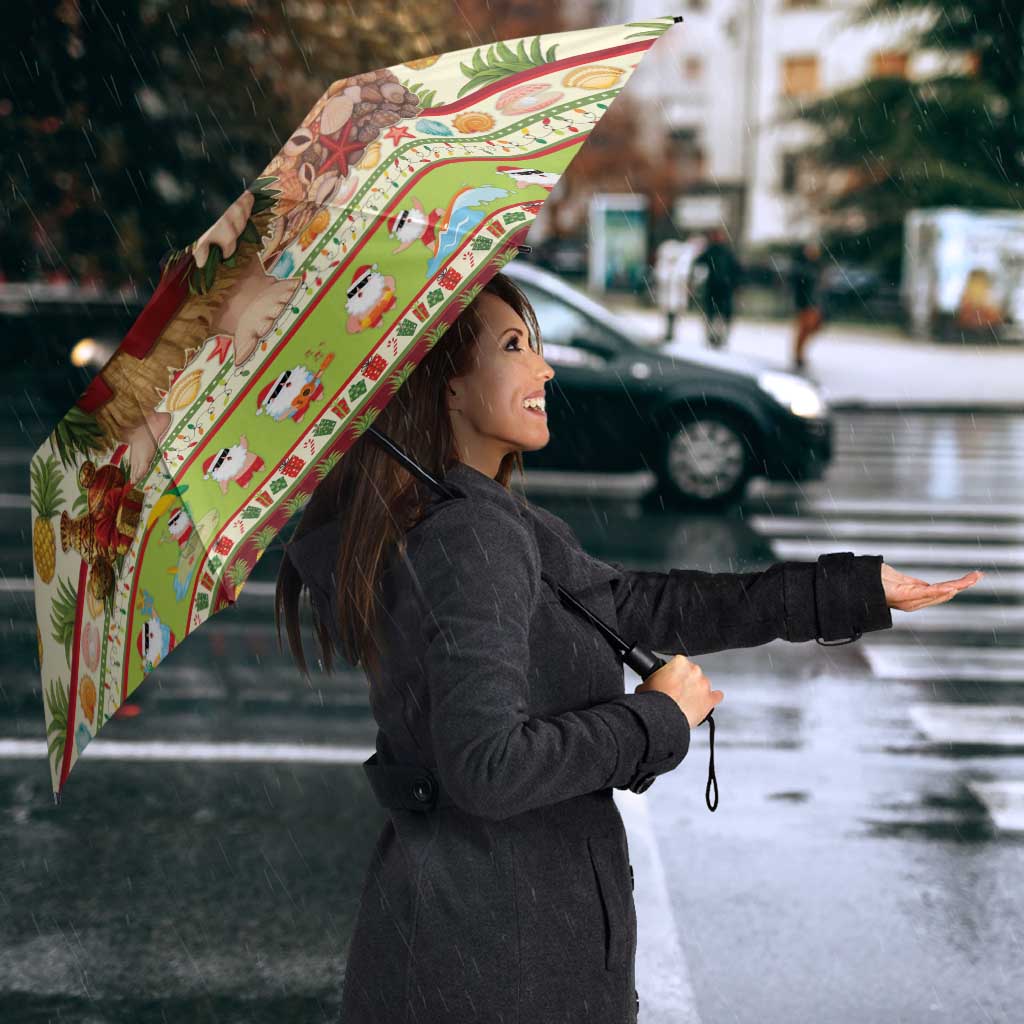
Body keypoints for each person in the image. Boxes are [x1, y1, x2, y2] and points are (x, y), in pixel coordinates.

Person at [275, 271, 976, 1024]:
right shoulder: (469, 537)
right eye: (514, 346)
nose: (544, 368)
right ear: (446, 385)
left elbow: (639, 605)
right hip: (499, 963)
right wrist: (656, 719)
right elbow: (487, 768)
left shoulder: (477, 517)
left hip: (483, 940)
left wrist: (850, 591)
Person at [692, 226, 742, 349]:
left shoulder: (725, 252)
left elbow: (736, 270)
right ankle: (713, 337)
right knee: (713, 314)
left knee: (720, 315)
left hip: (723, 288)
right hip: (715, 288)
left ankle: (719, 337)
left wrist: (735, 284)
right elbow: (698, 264)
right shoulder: (712, 251)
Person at [790, 240, 826, 370]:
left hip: (814, 303)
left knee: (812, 328)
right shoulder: (802, 267)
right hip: (805, 303)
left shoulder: (816, 266)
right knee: (804, 329)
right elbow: (799, 286)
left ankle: (799, 354)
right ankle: (798, 355)